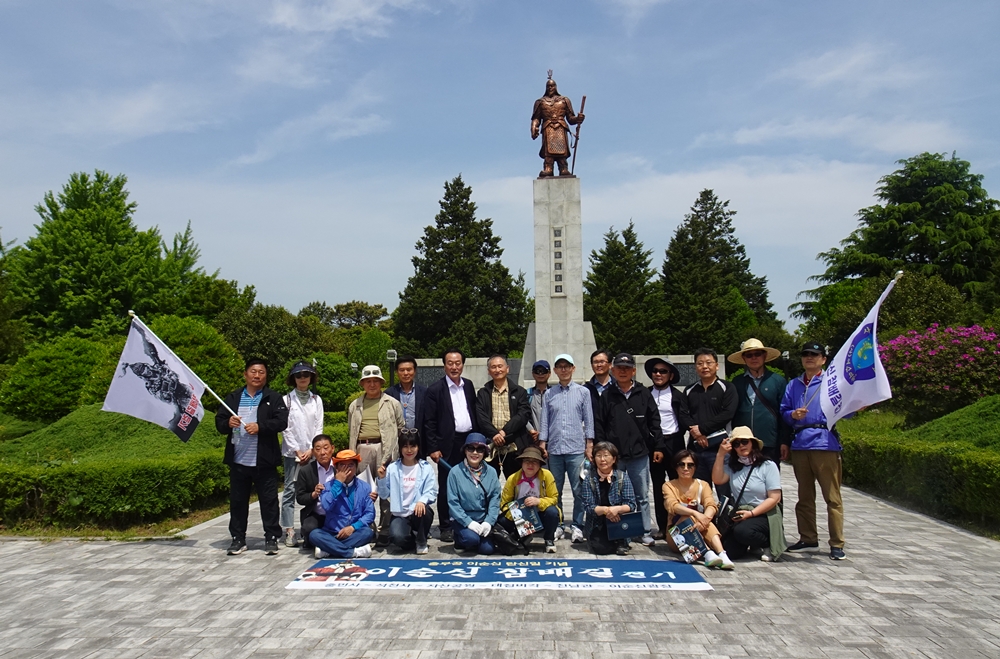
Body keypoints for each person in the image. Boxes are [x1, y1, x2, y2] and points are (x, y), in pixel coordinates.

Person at [780, 342, 848, 560]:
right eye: (806, 354)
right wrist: (792, 415)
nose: (809, 358)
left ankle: (837, 542)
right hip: (800, 443)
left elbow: (846, 411)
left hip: (824, 443)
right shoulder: (794, 384)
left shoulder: (833, 382)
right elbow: (783, 411)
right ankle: (808, 537)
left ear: (823, 359)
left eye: (814, 355)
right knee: (804, 495)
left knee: (832, 497)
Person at [216, 358, 289, 556]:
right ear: (245, 374)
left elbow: (282, 422)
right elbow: (219, 423)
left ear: (266, 376)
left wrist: (261, 427)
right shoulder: (233, 398)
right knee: (238, 502)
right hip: (239, 460)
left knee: (269, 501)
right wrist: (227, 423)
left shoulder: (272, 398)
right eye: (253, 371)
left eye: (261, 372)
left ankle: (271, 536)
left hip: (264, 461)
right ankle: (238, 538)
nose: (257, 376)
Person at [594, 353, 662, 546]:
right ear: (613, 371)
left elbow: (654, 421)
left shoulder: (644, 393)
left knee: (641, 494)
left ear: (633, 370)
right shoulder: (607, 395)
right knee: (616, 493)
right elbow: (600, 424)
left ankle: (644, 530)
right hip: (616, 456)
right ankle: (621, 530)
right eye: (619, 368)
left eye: (627, 368)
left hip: (639, 454)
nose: (623, 372)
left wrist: (658, 445)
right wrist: (601, 451)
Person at [424, 349, 479, 543]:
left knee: (471, 483)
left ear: (463, 364)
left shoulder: (469, 386)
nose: (454, 367)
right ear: (444, 365)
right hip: (447, 444)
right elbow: (428, 422)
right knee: (447, 486)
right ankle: (446, 525)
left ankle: (467, 520)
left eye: (457, 363)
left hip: (469, 442)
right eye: (450, 363)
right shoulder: (435, 390)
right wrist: (433, 448)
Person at [538, 353, 594, 544]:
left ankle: (577, 525)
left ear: (573, 368)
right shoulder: (549, 394)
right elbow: (544, 421)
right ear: (555, 370)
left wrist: (590, 445)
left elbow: (589, 419)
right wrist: (542, 443)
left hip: (576, 449)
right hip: (554, 449)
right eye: (560, 366)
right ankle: (559, 525)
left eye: (567, 366)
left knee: (579, 490)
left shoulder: (583, 392)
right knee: (556, 491)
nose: (563, 369)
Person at [348, 364, 405, 546]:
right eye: (367, 381)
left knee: (386, 491)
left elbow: (401, 427)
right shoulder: (354, 405)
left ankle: (385, 529)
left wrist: (395, 453)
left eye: (375, 381)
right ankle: (367, 527)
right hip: (362, 449)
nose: (372, 384)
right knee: (363, 492)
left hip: (384, 449)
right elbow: (352, 429)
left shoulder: (392, 403)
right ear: (362, 384)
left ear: (381, 382)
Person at [712, 426, 785, 562]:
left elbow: (775, 498)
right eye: (736, 444)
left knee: (743, 532)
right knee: (729, 551)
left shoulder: (768, 465)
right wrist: (720, 455)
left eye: (745, 442)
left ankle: (766, 543)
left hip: (764, 513)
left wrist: (751, 514)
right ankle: (750, 544)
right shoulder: (734, 466)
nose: (741, 446)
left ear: (753, 443)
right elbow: (717, 479)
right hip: (740, 513)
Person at [663, 450, 734, 569]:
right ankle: (707, 553)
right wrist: (696, 514)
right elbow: (672, 506)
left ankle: (722, 554)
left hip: (700, 528)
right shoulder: (669, 486)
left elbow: (711, 504)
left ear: (695, 468)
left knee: (708, 521)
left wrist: (705, 519)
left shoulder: (703, 485)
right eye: (682, 464)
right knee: (686, 517)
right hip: (677, 537)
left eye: (690, 465)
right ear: (676, 467)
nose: (686, 468)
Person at [679, 348, 738, 491]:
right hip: (696, 450)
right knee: (699, 493)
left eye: (708, 362)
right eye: (700, 363)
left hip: (720, 450)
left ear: (717, 365)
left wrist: (702, 429)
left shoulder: (727, 388)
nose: (704, 366)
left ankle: (724, 514)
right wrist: (697, 433)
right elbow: (683, 415)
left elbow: (727, 414)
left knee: (725, 491)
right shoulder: (689, 390)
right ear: (695, 367)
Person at [280, 360, 324, 547]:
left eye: (306, 375)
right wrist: (298, 450)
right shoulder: (286, 400)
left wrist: (311, 450)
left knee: (316, 489)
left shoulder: (317, 400)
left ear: (311, 377)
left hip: (313, 453)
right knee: (290, 489)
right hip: (292, 453)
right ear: (293, 378)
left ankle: (314, 525)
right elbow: (285, 427)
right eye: (298, 375)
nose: (302, 378)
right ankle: (289, 530)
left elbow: (318, 426)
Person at [728, 339, 790, 467]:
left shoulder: (777, 381)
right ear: (744, 358)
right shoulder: (737, 382)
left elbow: (784, 413)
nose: (754, 358)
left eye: (758, 354)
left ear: (765, 356)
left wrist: (784, 441)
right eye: (749, 355)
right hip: (743, 443)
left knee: (769, 480)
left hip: (769, 440)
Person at [644, 356, 687, 537]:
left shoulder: (678, 395)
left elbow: (684, 418)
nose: (658, 374)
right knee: (658, 485)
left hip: (674, 442)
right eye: (655, 371)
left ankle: (679, 524)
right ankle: (663, 526)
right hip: (654, 443)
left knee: (679, 484)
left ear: (670, 375)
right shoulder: (645, 393)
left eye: (663, 371)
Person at [377, 431, 437, 554]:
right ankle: (413, 540)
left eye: (413, 446)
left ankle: (422, 541)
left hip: (418, 512)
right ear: (400, 448)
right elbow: (384, 495)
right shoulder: (392, 468)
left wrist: (422, 501)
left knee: (425, 511)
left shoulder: (425, 468)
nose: (409, 450)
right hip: (400, 513)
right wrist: (382, 479)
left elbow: (432, 491)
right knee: (397, 538)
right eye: (405, 446)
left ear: (418, 447)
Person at [310, 450, 376, 559]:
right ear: (337, 468)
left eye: (350, 465)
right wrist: (338, 483)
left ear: (356, 467)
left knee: (368, 532)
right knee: (314, 535)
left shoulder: (365, 487)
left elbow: (369, 514)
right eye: (342, 465)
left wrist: (353, 528)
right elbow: (326, 506)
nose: (347, 469)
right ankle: (352, 552)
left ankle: (329, 550)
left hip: (353, 533)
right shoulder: (327, 486)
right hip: (331, 533)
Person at [476, 354, 532, 478]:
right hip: (490, 445)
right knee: (488, 483)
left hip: (514, 445)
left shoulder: (519, 392)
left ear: (507, 368)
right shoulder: (483, 393)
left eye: (500, 366)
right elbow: (481, 417)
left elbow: (523, 415)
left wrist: (504, 432)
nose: (497, 370)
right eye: (493, 367)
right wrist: (494, 434)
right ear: (489, 371)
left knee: (517, 485)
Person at [447, 433, 502, 555]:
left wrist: (489, 521)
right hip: (462, 519)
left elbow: (495, 499)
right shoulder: (455, 472)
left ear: (485, 453)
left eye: (480, 449)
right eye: (471, 448)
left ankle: (479, 537)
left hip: (483, 518)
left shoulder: (491, 472)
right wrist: (468, 522)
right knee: (471, 539)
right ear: (465, 450)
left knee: (487, 550)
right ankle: (458, 537)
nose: (475, 453)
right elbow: (453, 502)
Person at [498, 446, 561, 553]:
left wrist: (539, 501)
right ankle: (519, 536)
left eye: (535, 462)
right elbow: (504, 504)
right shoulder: (513, 478)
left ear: (540, 465)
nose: (530, 465)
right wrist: (517, 512)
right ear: (521, 463)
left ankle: (549, 539)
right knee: (502, 521)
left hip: (540, 513)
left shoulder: (547, 475)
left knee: (553, 512)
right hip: (519, 515)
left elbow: (554, 498)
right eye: (527, 461)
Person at [580, 441, 637, 556]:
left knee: (618, 543)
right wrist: (607, 511)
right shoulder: (589, 479)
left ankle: (622, 541)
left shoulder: (622, 477)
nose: (602, 460)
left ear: (614, 459)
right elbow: (588, 507)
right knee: (601, 549)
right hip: (597, 521)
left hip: (618, 520)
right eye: (599, 456)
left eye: (606, 455)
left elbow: (631, 504)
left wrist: (617, 509)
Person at [530, 73, 585, 177]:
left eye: (552, 85)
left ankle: (563, 168)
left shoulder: (564, 100)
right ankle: (548, 168)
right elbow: (536, 118)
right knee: (548, 152)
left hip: (560, 127)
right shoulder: (540, 102)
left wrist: (578, 119)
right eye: (548, 86)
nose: (550, 88)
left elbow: (570, 118)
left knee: (561, 152)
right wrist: (534, 127)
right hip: (547, 128)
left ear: (556, 87)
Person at [295, 434, 336, 549]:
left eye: (326, 448)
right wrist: (313, 494)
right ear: (313, 452)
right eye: (318, 449)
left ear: (332, 448)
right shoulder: (306, 471)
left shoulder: (340, 467)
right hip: (316, 514)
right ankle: (324, 541)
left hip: (338, 514)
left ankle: (322, 543)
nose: (322, 452)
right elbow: (300, 498)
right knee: (308, 529)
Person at [385, 355, 426, 433]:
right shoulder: (389, 393)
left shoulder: (424, 392)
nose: (405, 373)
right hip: (396, 438)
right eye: (402, 370)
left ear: (414, 371)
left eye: (409, 369)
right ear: (397, 372)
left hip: (418, 438)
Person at [525, 360, 550, 442]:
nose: (540, 374)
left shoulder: (555, 394)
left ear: (549, 373)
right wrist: (532, 431)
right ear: (533, 374)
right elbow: (522, 415)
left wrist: (543, 434)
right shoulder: (527, 394)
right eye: (537, 371)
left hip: (553, 440)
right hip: (532, 439)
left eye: (543, 371)